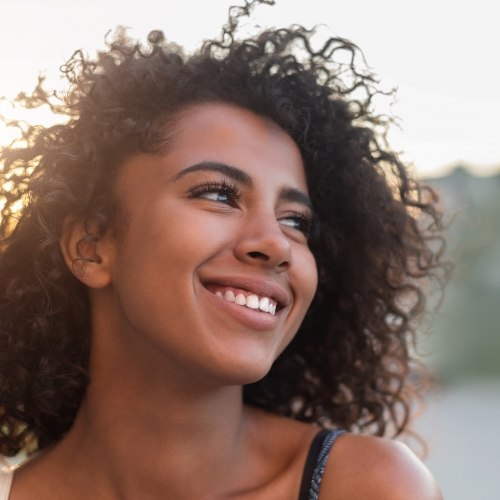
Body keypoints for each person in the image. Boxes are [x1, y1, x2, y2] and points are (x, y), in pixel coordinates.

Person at [0, 1, 447, 498]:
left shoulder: (366, 486)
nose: (277, 244)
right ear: (91, 245)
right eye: (218, 194)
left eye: (296, 221)